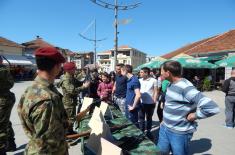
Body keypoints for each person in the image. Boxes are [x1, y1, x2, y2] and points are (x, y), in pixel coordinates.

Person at [157, 60, 220, 155]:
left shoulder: (185, 87)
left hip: (179, 133)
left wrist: (194, 115)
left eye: (161, 71)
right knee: (161, 152)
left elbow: (212, 107)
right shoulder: (170, 83)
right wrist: (164, 120)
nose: (160, 73)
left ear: (168, 73)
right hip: (165, 128)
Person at [18, 47, 69, 155]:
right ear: (56, 66)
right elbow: (46, 145)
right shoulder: (47, 100)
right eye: (60, 66)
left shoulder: (32, 89)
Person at [59, 62, 90, 135]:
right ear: (69, 70)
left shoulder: (71, 76)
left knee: (71, 118)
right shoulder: (66, 79)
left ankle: (70, 131)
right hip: (68, 103)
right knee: (70, 119)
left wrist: (85, 78)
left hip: (71, 101)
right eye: (74, 68)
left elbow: (78, 82)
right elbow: (72, 91)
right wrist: (84, 87)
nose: (75, 70)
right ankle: (68, 134)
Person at [0, 56, 16, 155]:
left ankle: (2, 149)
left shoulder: (2, 70)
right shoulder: (4, 69)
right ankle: (10, 144)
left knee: (1, 125)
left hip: (3, 99)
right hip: (6, 98)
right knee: (5, 121)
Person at [139, 67, 158, 138]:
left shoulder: (154, 80)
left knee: (149, 117)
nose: (140, 74)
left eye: (141, 72)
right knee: (141, 117)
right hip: (141, 102)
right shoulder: (139, 80)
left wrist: (154, 101)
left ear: (146, 73)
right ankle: (142, 131)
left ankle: (149, 131)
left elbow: (156, 91)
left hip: (150, 103)